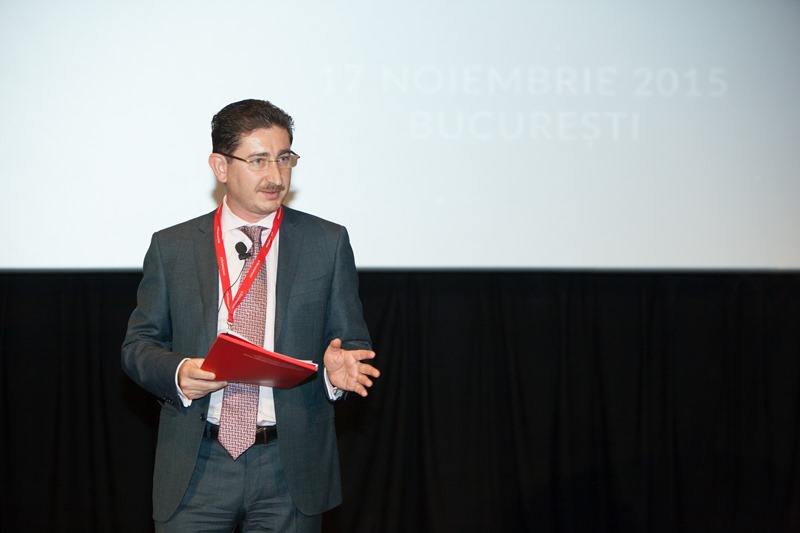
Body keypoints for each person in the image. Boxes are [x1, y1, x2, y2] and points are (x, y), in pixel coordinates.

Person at [121, 98, 379, 532]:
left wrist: (335, 376)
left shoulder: (327, 242)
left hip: (289, 467)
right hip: (196, 464)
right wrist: (179, 373)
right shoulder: (173, 247)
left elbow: (349, 343)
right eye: (258, 160)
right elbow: (138, 347)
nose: (276, 176)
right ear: (220, 166)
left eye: (284, 159)